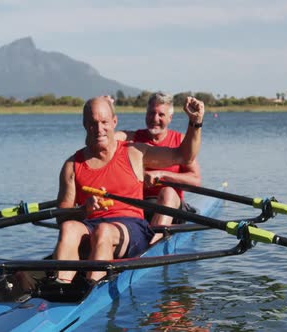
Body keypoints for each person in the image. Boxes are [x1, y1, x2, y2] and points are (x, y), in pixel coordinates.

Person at [53, 95, 205, 283]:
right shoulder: (72, 165)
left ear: (114, 122)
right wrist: (84, 209)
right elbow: (61, 216)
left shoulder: (135, 151)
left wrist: (195, 122)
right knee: (68, 227)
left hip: (132, 228)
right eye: (93, 123)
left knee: (104, 231)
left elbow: (184, 156)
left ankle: (90, 288)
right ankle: (59, 286)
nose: (99, 129)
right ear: (85, 125)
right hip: (90, 225)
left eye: (104, 122)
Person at [115, 92, 201, 243]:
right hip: (139, 207)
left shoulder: (181, 142)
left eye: (161, 114)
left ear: (170, 118)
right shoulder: (131, 138)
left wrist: (162, 175)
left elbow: (195, 180)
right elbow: (109, 139)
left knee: (167, 191)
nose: (155, 119)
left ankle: (152, 243)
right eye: (151, 113)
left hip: (172, 208)